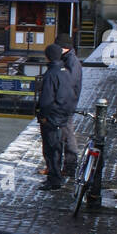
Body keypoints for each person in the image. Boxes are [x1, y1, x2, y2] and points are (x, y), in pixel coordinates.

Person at [36, 44, 75, 191]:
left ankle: (54, 180)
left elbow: (46, 99)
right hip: (63, 116)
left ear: (48, 56)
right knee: (58, 147)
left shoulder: (51, 74)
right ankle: (56, 178)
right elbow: (71, 94)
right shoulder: (66, 72)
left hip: (52, 117)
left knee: (51, 149)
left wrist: (42, 115)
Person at [55, 34, 83, 176]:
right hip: (65, 102)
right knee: (63, 134)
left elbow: (68, 84)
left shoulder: (71, 61)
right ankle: (60, 165)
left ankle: (70, 166)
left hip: (66, 104)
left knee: (67, 134)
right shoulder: (68, 59)